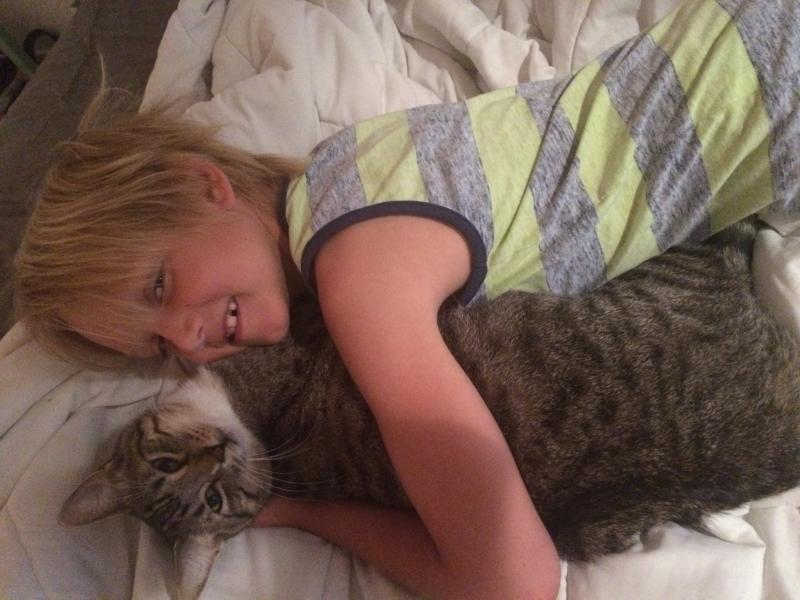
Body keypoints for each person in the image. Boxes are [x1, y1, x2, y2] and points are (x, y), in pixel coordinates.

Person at [12, 0, 797, 597]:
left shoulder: (359, 280)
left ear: (204, 185)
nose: (187, 342)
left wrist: (298, 512)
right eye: (156, 345)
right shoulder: (339, 167)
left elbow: (514, 583)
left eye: (159, 285)